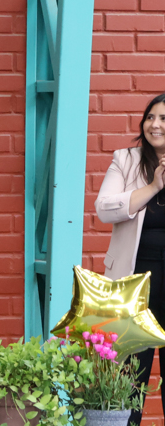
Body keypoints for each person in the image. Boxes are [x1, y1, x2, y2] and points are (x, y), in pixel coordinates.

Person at [95, 93, 165, 426]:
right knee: (130, 377)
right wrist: (153, 186)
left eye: (163, 118)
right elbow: (104, 208)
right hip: (134, 286)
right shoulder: (125, 160)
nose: (155, 124)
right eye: (150, 117)